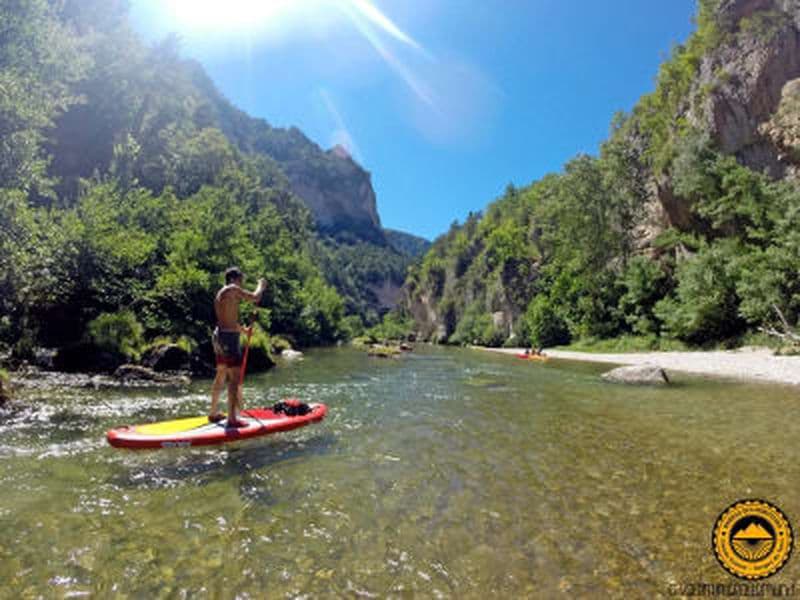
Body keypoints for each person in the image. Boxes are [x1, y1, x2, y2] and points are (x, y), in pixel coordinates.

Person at [209, 267, 267, 427]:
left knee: (220, 374)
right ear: (234, 279)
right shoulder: (233, 289)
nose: (241, 283)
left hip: (219, 335)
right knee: (234, 379)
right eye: (240, 280)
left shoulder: (220, 294)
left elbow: (228, 320)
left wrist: (243, 330)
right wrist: (261, 286)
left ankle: (213, 413)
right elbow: (255, 297)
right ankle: (232, 419)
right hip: (229, 339)